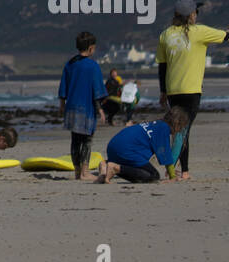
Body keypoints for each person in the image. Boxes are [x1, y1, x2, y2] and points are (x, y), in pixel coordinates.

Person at [157, 0, 229, 177]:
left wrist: (163, 91)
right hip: (191, 90)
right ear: (192, 15)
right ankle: (170, 170)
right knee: (182, 130)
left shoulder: (165, 35)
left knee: (181, 129)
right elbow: (224, 36)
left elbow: (162, 67)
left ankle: (184, 171)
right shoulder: (199, 31)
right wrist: (227, 34)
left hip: (172, 90)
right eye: (196, 12)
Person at [58, 32, 108, 179]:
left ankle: (77, 172)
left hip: (71, 108)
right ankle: (85, 173)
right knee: (87, 140)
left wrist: (62, 104)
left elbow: (63, 87)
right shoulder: (93, 66)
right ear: (91, 48)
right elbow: (96, 90)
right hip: (86, 109)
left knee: (75, 140)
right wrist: (100, 109)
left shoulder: (70, 64)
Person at [97, 106, 190, 184]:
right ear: (177, 124)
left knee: (134, 167)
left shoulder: (156, 124)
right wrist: (172, 176)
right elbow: (165, 153)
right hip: (127, 149)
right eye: (181, 128)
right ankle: (115, 168)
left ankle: (106, 165)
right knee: (153, 176)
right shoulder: (163, 129)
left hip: (114, 146)